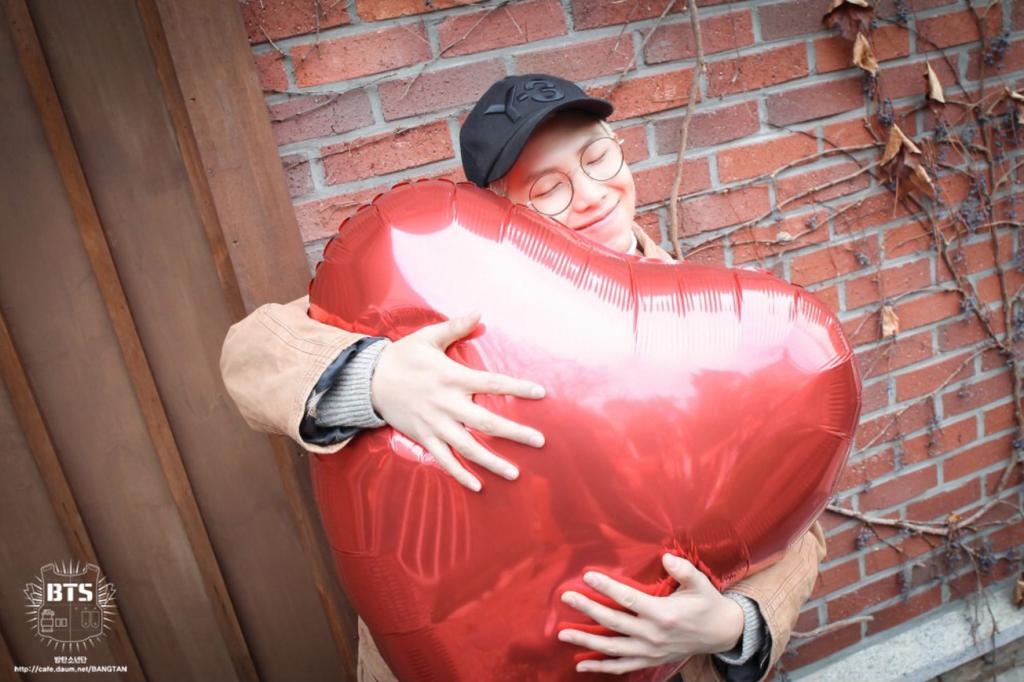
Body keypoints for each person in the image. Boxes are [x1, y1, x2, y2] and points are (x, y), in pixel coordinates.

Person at [220, 74, 827, 682]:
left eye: (597, 157)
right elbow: (250, 354)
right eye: (548, 188)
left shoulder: (718, 331)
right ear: (501, 212)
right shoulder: (437, 305)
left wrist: (734, 624)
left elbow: (793, 515)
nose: (591, 194)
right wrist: (375, 376)